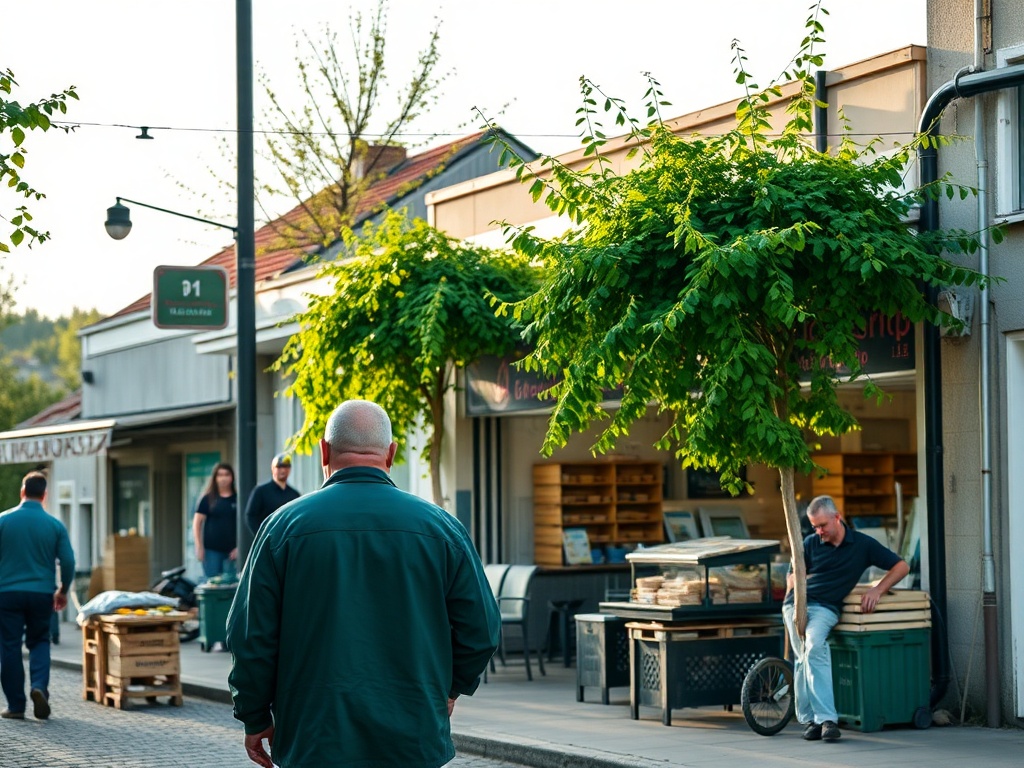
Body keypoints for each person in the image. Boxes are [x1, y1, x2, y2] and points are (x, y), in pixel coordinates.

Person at [227, 399, 500, 768]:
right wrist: (451, 689)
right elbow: (482, 630)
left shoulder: (281, 528)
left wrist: (255, 715)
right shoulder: (441, 528)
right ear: (391, 453)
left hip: (314, 736)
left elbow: (250, 636)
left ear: (324, 451)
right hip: (412, 736)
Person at [783, 494, 909, 743]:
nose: (818, 531)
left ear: (837, 518)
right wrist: (796, 593)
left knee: (814, 645)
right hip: (795, 605)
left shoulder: (863, 545)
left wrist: (877, 589)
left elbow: (901, 566)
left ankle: (826, 720)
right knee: (803, 659)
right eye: (814, 526)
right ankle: (811, 721)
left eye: (822, 525)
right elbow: (791, 578)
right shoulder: (809, 543)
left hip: (824, 608)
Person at [0, 471, 75, 720]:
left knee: (10, 647)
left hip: (7, 593)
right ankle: (39, 686)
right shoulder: (54, 525)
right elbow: (68, 560)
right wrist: (63, 590)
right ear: (44, 495)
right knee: (40, 641)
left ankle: (15, 706)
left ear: (22, 492)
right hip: (42, 593)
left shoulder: (3, 520)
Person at [192, 462, 238, 579]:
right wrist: (199, 547)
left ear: (232, 477)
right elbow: (197, 523)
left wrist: (240, 548)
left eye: (227, 474)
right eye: (220, 475)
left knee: (232, 588)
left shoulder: (238, 498)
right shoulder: (207, 498)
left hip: (233, 553)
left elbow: (245, 524)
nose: (223, 478)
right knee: (212, 585)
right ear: (215, 478)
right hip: (211, 552)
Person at [243, 453, 300, 535]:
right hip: (268, 539)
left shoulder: (294, 494)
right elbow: (250, 516)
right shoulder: (260, 491)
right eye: (279, 467)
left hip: (288, 539)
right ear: (272, 468)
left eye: (286, 466)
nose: (283, 470)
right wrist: (261, 536)